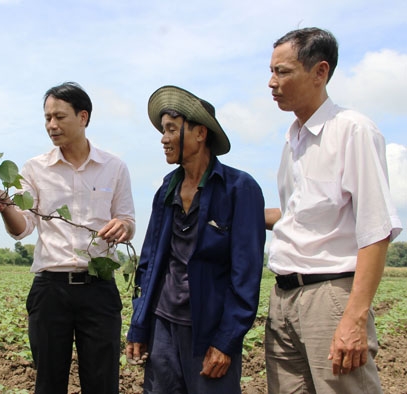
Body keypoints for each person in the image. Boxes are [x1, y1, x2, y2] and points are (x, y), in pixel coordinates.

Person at [265, 27, 403, 393]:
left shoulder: (352, 131)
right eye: (271, 71)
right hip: (283, 298)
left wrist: (354, 319)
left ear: (320, 72)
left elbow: (377, 229)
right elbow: (301, 214)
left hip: (329, 297)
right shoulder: (293, 139)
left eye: (282, 72)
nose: (271, 82)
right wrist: (241, 212)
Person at [0, 82, 135, 394]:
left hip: (99, 288)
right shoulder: (35, 169)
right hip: (51, 289)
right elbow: (22, 228)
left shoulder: (114, 167)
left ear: (83, 117)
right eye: (47, 118)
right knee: (49, 383)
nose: (52, 125)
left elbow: (128, 222)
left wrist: (122, 227)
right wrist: (4, 208)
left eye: (59, 117)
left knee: (103, 382)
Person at [125, 85, 266, 393]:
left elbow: (246, 275)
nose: (163, 139)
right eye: (163, 130)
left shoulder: (239, 190)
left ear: (200, 133)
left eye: (171, 130)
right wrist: (139, 324)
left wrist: (226, 341)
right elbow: (149, 264)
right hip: (163, 327)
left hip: (208, 331)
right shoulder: (166, 190)